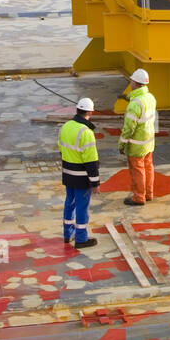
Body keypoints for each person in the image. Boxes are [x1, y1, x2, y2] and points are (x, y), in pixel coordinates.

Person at [59, 97, 100, 248]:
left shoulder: (66, 126)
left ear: (77, 110)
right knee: (82, 207)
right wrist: (95, 182)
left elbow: (61, 149)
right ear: (90, 111)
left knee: (69, 203)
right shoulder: (86, 132)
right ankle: (81, 239)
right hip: (82, 177)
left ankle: (67, 234)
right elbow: (91, 161)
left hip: (68, 174)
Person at [118, 68, 156, 207]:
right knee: (148, 167)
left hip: (136, 144)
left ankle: (139, 197)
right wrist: (127, 97)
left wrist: (121, 144)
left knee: (137, 170)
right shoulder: (150, 97)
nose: (130, 83)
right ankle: (148, 193)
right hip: (148, 142)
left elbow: (128, 129)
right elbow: (139, 98)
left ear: (136, 83)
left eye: (131, 81)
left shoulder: (134, 105)